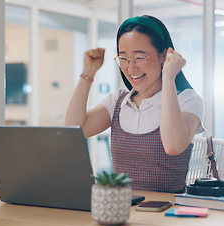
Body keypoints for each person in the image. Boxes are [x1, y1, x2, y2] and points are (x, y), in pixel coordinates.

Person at [65, 15, 205, 193]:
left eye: (139, 58)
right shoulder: (117, 102)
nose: (131, 68)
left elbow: (173, 146)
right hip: (122, 210)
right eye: (123, 59)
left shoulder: (188, 101)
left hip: (168, 212)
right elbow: (73, 130)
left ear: (163, 55)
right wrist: (88, 71)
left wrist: (169, 77)